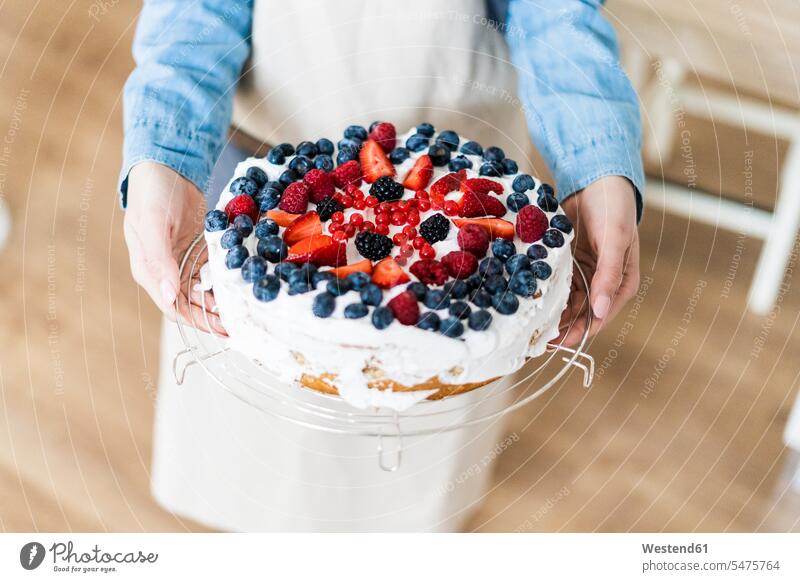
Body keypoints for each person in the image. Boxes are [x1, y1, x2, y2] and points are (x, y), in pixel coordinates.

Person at [120, 0, 643, 531]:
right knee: (256, 472)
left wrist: (596, 156)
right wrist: (165, 150)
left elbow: (554, 13)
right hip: (271, 206)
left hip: (465, 185)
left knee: (407, 492)